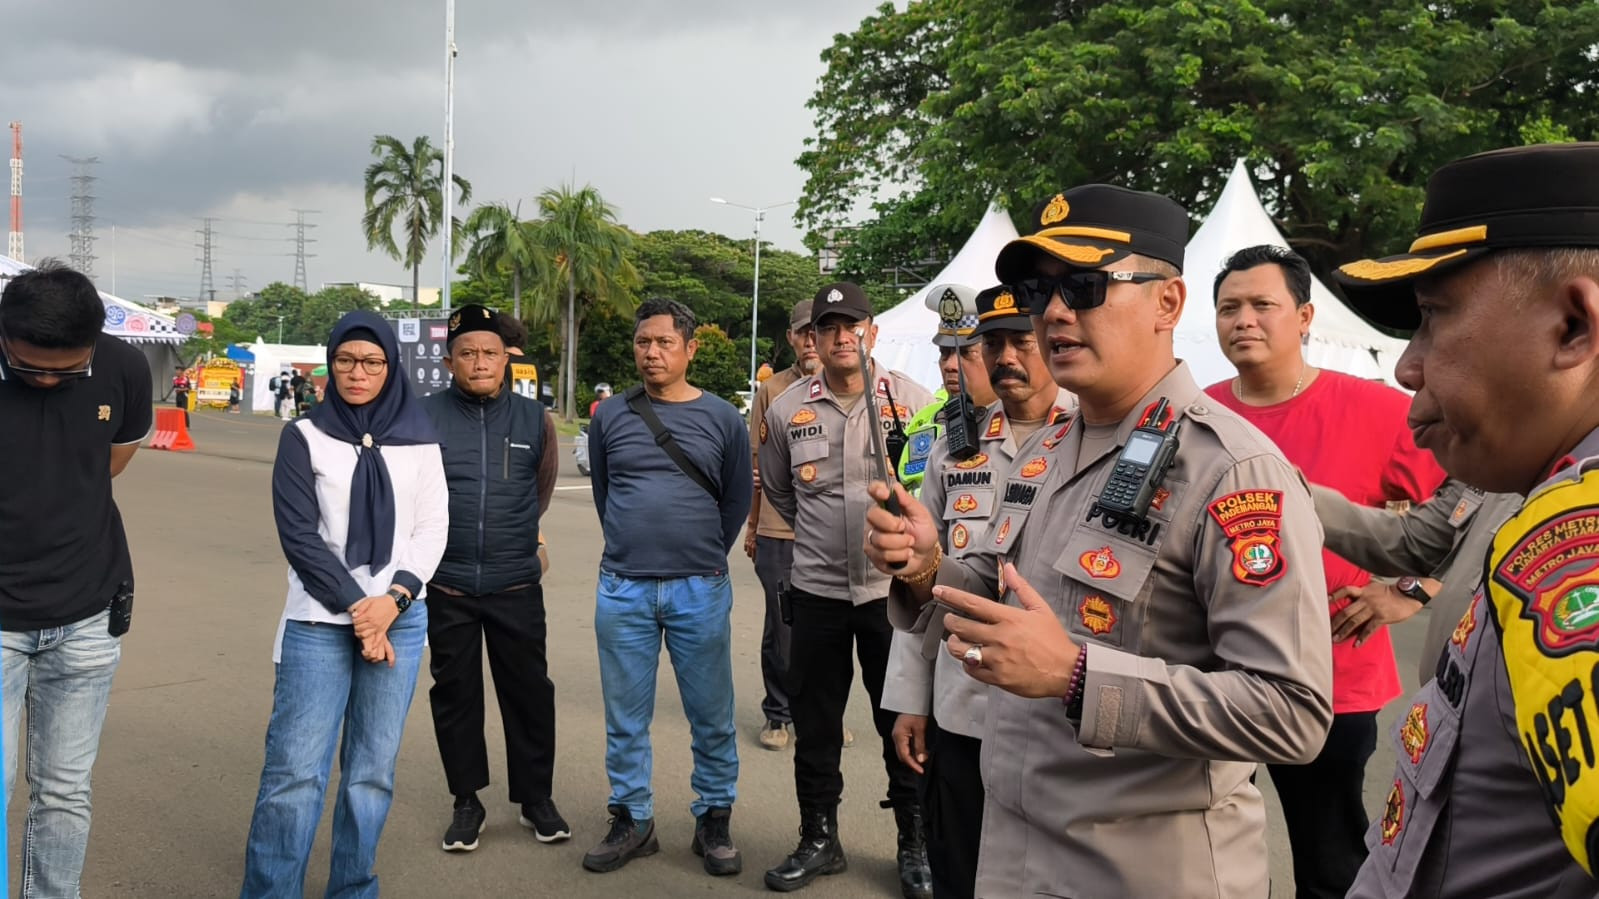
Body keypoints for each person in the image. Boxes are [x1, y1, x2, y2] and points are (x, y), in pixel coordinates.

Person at [861, 184, 1334, 897]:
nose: (1053, 311)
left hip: (1147, 872)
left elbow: (1290, 712)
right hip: (1021, 854)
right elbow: (1002, 591)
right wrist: (928, 565)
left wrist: (1080, 676)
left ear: (1167, 304)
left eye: (1083, 286)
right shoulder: (1052, 446)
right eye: (1038, 290)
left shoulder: (1231, 470)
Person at [1330, 142, 1599, 897]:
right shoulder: (1529, 478)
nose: (1405, 365)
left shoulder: (1578, 543)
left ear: (1573, 327)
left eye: (1430, 317)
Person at [1204, 243, 1447, 897]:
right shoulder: (1194, 415)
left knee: (1332, 858)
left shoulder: (1376, 410)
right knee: (1207, 850)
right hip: (1208, 676)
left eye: (1262, 305)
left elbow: (1468, 512)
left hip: (1333, 677)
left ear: (1305, 315)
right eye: (1229, 307)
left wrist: (1408, 588)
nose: (1243, 320)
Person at [241, 311, 448, 897]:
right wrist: (364, 609)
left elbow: (433, 530)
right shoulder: (303, 437)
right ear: (330, 366)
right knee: (294, 774)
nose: (358, 373)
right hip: (318, 622)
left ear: (391, 367)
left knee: (371, 775)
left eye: (372, 362)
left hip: (401, 622)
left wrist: (393, 604)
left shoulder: (421, 440)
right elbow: (301, 537)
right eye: (346, 361)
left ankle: (353, 888)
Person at [881, 282, 1074, 898]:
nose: (1007, 357)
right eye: (993, 343)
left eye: (1022, 340)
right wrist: (911, 699)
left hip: (1055, 712)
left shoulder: (1093, 435)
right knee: (959, 862)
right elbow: (922, 580)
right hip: (962, 703)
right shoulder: (951, 450)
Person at [758, 282, 937, 897]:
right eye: (827, 327)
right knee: (816, 723)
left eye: (851, 325)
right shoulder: (787, 410)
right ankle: (819, 838)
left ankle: (915, 843)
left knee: (903, 725)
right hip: (815, 593)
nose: (840, 337)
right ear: (814, 338)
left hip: (892, 599)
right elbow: (781, 493)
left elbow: (929, 496)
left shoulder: (911, 403)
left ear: (872, 331)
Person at [585, 298, 753, 876]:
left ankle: (713, 819)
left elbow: (735, 500)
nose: (651, 353)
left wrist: (700, 553)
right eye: (642, 343)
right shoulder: (609, 415)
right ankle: (632, 818)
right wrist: (637, 545)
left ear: (690, 349)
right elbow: (606, 494)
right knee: (624, 715)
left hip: (698, 589)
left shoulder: (723, 418)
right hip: (623, 588)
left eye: (663, 342)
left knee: (711, 712)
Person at [0, 262, 151, 898]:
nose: (44, 380)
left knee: (64, 791)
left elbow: (110, 460)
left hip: (87, 612)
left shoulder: (124, 367)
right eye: (28, 365)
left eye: (64, 371)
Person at [419, 304, 568, 853]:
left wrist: (515, 538)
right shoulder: (422, 417)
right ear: (449, 359)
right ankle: (466, 801)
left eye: (489, 352)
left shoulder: (534, 420)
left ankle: (536, 799)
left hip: (515, 584)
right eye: (467, 353)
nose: (479, 362)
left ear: (507, 358)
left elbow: (541, 491)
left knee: (530, 693)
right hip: (447, 584)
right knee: (455, 695)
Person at [1311, 478, 1522, 680]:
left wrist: (1413, 591)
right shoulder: (1494, 465)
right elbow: (1417, 539)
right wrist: (1290, 487)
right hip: (1444, 700)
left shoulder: (1548, 495)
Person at [744, 299, 820, 751]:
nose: (811, 340)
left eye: (818, 331)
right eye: (803, 332)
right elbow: (758, 464)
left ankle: (819, 714)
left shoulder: (852, 385)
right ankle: (778, 714)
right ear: (791, 338)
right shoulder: (772, 390)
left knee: (830, 629)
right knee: (783, 625)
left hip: (834, 532)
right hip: (778, 528)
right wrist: (752, 526)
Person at [895, 284, 997, 497]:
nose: (950, 365)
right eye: (944, 353)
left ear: (993, 355)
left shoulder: (1015, 420)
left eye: (966, 353)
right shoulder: (925, 418)